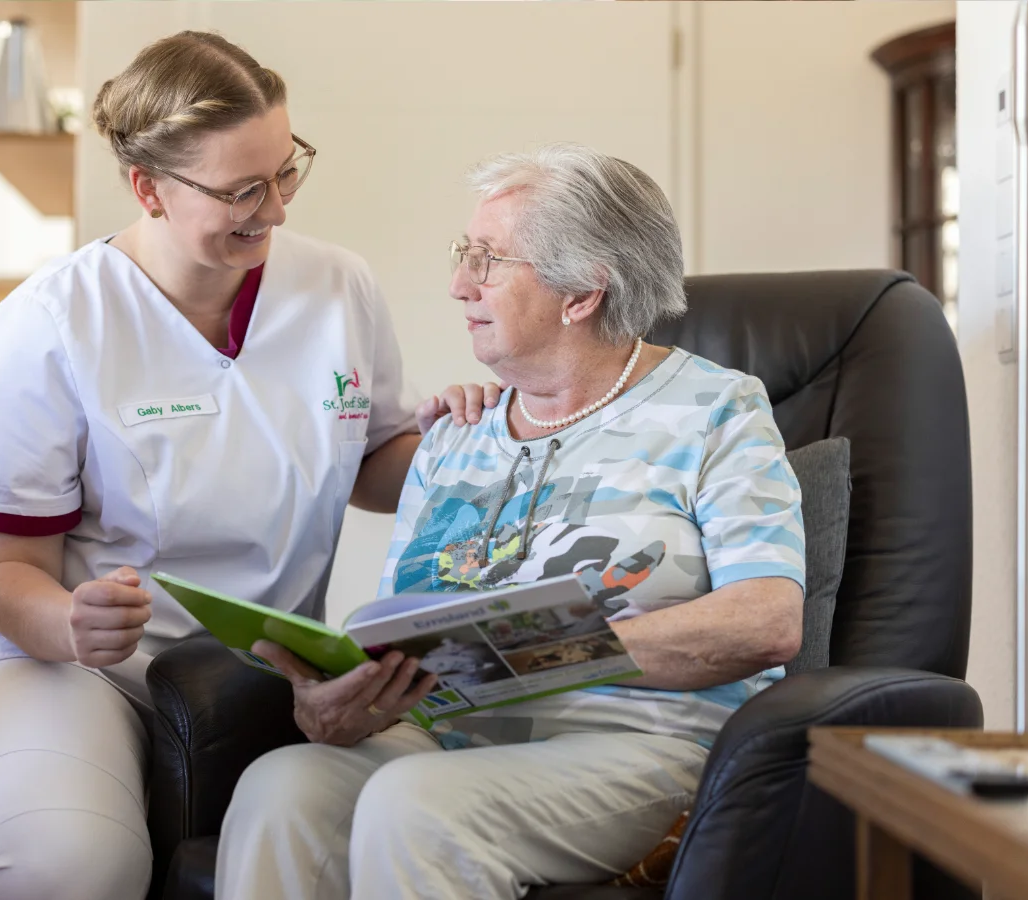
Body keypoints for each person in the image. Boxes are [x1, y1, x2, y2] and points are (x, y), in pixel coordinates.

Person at [0, 31, 494, 900]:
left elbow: (373, 459)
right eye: (240, 190)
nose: (274, 210)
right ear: (147, 189)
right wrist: (71, 623)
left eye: (286, 171)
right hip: (68, 664)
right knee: (75, 869)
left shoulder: (338, 287)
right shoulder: (52, 322)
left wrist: (459, 447)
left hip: (258, 670)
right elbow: (6, 570)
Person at [219, 144, 806, 900]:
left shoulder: (717, 410)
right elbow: (403, 635)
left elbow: (766, 621)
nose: (459, 284)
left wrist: (533, 649)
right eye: (464, 254)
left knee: (418, 806)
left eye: (488, 259)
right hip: (450, 740)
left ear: (582, 291)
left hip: (640, 747)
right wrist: (339, 700)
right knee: (281, 788)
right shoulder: (456, 435)